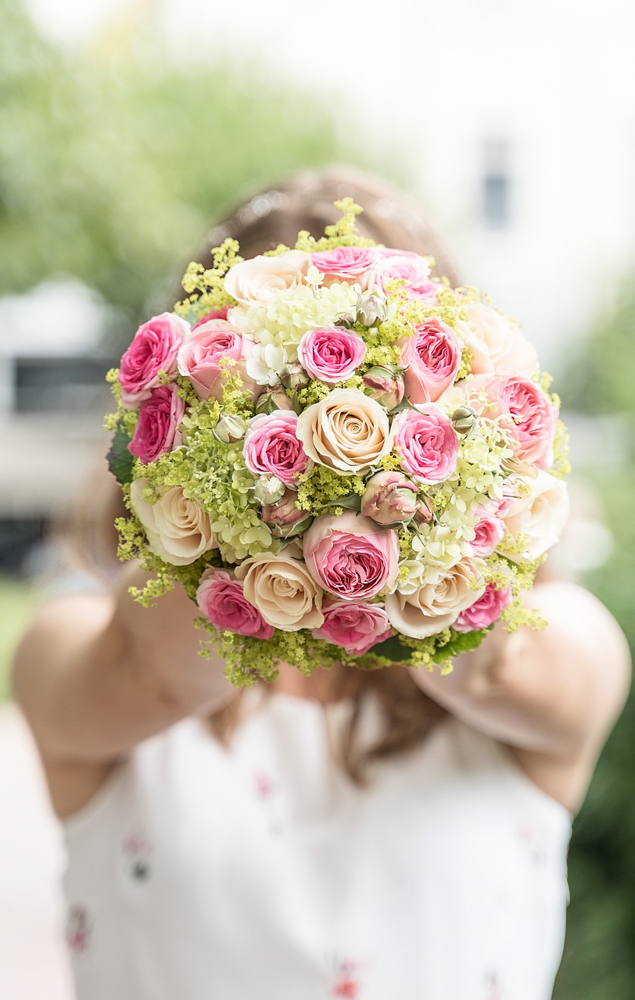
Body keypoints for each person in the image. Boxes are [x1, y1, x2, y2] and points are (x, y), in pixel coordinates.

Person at [13, 167, 631, 1000]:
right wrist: (259, 487)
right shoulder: (76, 646)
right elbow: (149, 669)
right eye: (263, 372)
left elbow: (492, 665)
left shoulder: (563, 643)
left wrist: (407, 503)